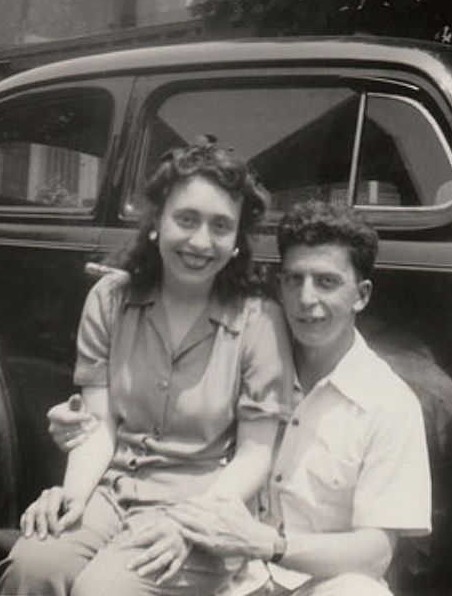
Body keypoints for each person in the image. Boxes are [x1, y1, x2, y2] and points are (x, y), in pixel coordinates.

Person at [51, 199, 431, 596]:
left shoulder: (388, 403)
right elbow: (145, 416)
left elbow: (374, 553)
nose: (306, 299)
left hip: (313, 581)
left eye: (326, 282)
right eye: (293, 279)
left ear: (362, 295)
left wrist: (267, 544)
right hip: (215, 569)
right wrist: (77, 423)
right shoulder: (239, 352)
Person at [0, 139, 293, 596]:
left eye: (220, 226)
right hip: (111, 494)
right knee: (31, 565)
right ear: (157, 223)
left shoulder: (258, 319)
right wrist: (72, 496)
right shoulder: (111, 299)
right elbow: (100, 426)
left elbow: (255, 454)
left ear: (236, 242)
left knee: (104, 592)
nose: (200, 241)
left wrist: (191, 525)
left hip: (200, 511)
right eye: (186, 219)